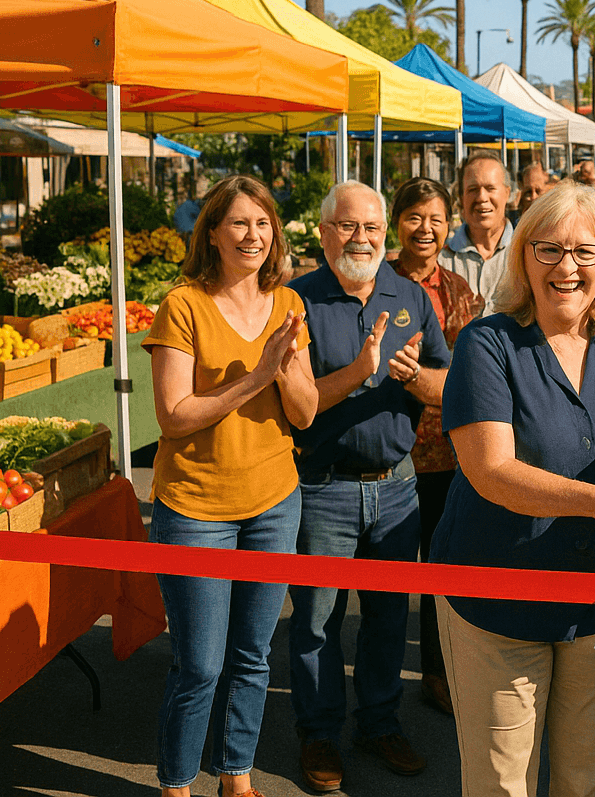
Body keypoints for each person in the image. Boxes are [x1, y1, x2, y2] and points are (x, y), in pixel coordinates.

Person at [429, 183, 595, 797]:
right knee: (502, 782)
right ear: (522, 257)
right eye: (549, 249)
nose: (567, 267)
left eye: (587, 252)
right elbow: (491, 471)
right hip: (498, 597)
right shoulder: (488, 343)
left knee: (588, 778)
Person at [144, 175, 318, 797]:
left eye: (263, 223)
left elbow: (304, 413)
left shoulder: (289, 305)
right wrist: (257, 375)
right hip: (194, 507)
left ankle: (236, 774)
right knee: (200, 665)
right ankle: (176, 782)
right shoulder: (181, 305)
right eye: (240, 223)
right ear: (212, 233)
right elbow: (173, 415)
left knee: (252, 657)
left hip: (274, 500)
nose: (253, 235)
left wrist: (288, 372)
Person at [286, 182, 452, 792]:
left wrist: (417, 380)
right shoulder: (296, 301)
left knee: (386, 618)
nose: (362, 239)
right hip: (321, 487)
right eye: (347, 227)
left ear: (386, 233)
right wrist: (358, 372)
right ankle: (320, 735)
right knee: (316, 622)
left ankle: (379, 723)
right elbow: (294, 406)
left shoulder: (410, 296)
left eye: (372, 228)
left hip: (398, 489)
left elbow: (449, 382)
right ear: (324, 232)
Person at [387, 177, 479, 718]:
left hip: (449, 454)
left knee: (441, 567)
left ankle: (439, 670)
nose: (425, 229)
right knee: (391, 575)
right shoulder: (377, 283)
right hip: (393, 454)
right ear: (398, 222)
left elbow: (469, 373)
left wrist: (426, 380)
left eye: (436, 219)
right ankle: (383, 687)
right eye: (414, 217)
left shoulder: (461, 291)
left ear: (450, 227)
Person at [440, 152, 514, 314]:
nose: (482, 197)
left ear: (506, 193)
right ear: (461, 197)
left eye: (490, 188)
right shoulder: (442, 261)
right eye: (473, 189)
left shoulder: (527, 253)